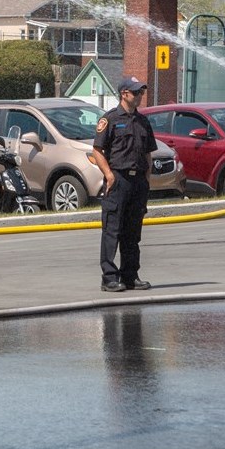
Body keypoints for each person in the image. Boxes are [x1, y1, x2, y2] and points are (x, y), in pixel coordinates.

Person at [93, 76, 157, 293]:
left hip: (137, 181)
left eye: (141, 92)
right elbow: (97, 151)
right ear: (124, 94)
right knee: (112, 229)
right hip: (118, 180)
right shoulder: (110, 120)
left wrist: (147, 179)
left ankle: (130, 275)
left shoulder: (143, 122)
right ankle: (109, 278)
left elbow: (148, 153)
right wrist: (109, 175)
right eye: (136, 92)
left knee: (133, 231)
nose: (140, 96)